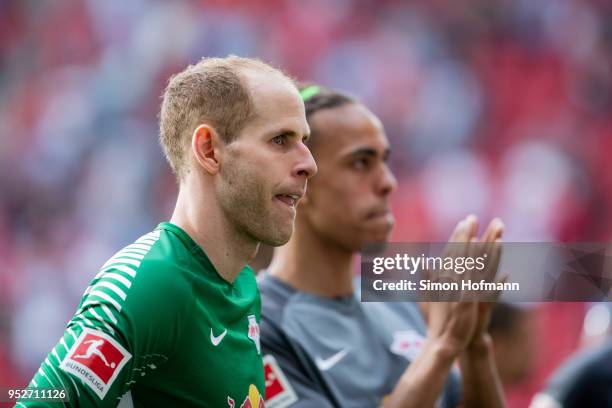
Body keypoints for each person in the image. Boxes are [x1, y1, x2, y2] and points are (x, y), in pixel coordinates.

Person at [19, 56, 317, 407]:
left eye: (303, 140)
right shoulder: (152, 285)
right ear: (208, 150)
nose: (309, 164)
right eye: (280, 140)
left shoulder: (243, 285)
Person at [259, 85, 506, 408]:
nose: (388, 182)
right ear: (298, 181)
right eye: (361, 163)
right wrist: (442, 346)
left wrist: (474, 345)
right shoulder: (259, 325)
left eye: (385, 161)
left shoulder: (399, 307)